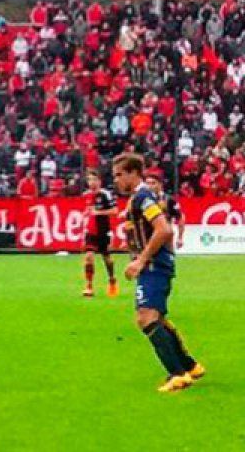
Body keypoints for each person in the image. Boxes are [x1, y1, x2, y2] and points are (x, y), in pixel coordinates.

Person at [112, 154, 205, 393]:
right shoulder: (138, 198)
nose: (116, 180)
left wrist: (141, 260)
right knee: (156, 317)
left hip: (153, 266)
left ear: (134, 173)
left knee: (146, 318)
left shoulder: (143, 196)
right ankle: (190, 366)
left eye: (120, 175)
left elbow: (164, 229)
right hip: (155, 264)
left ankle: (177, 375)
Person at [81, 169, 118, 298]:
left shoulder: (105, 194)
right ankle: (89, 286)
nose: (92, 182)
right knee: (88, 258)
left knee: (107, 259)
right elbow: (88, 209)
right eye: (89, 180)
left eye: (94, 179)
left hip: (103, 231)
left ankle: (112, 280)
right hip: (90, 231)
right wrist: (85, 214)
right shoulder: (86, 195)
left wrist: (99, 213)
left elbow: (115, 210)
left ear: (99, 181)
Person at [145, 172, 185, 250]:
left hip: (165, 239)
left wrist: (180, 238)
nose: (149, 186)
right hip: (146, 238)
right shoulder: (142, 199)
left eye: (153, 183)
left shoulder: (169, 200)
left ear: (160, 184)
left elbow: (180, 217)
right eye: (147, 183)